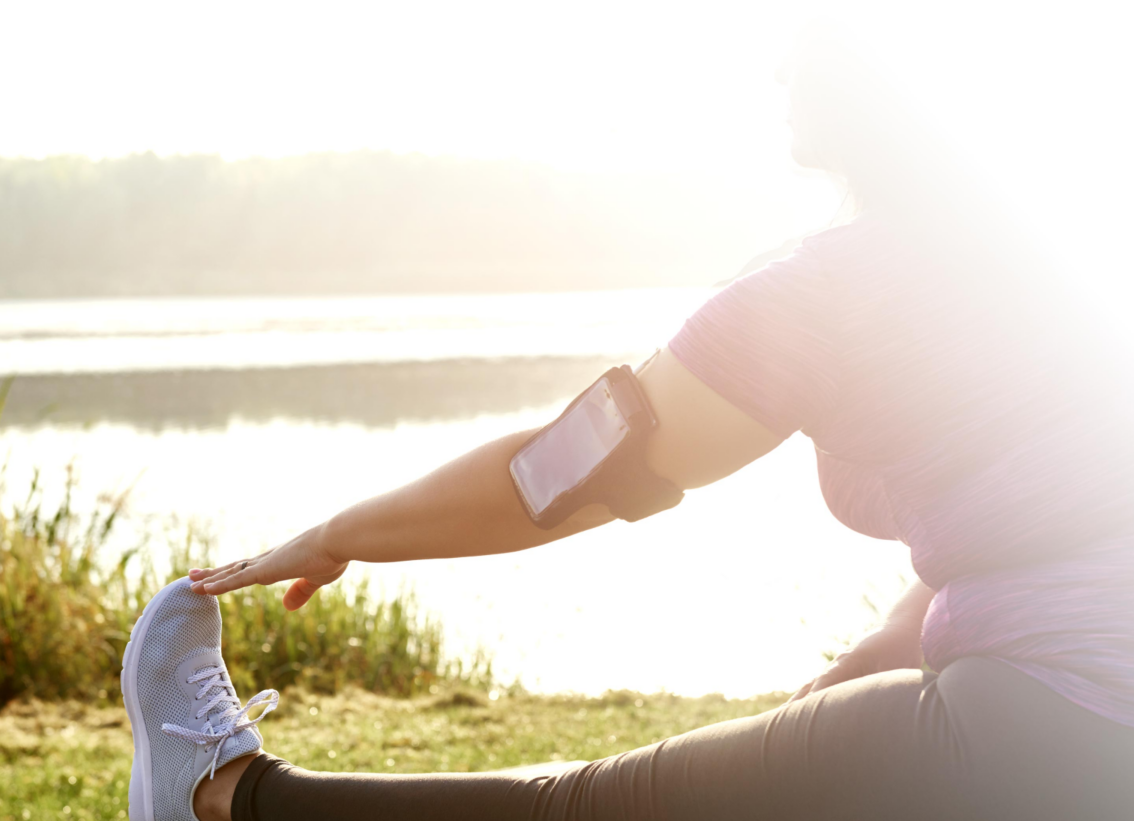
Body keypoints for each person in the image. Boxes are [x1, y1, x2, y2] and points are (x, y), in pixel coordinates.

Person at [120, 24, 1134, 821]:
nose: (778, 63)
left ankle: (217, 793)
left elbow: (556, 479)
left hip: (1054, 721)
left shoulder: (824, 295)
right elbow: (1056, 514)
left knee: (589, 805)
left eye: (810, 38)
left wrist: (336, 533)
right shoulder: (1074, 239)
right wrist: (876, 652)